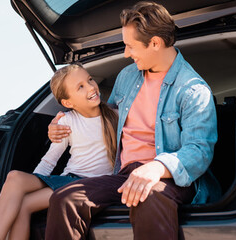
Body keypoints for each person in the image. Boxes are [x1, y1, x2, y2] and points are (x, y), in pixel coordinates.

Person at [45, 2, 218, 240]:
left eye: (130, 46)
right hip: (124, 174)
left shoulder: (193, 91)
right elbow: (104, 117)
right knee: (65, 198)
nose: (126, 53)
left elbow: (199, 151)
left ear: (155, 43)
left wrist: (157, 167)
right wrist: (63, 123)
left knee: (149, 195)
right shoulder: (127, 77)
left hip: (169, 178)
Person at [0, 63, 119, 240]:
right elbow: (49, 161)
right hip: (69, 179)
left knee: (25, 204)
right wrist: (31, 187)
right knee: (15, 180)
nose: (91, 87)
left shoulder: (116, 116)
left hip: (93, 184)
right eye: (80, 87)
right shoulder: (66, 121)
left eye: (89, 80)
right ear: (67, 102)